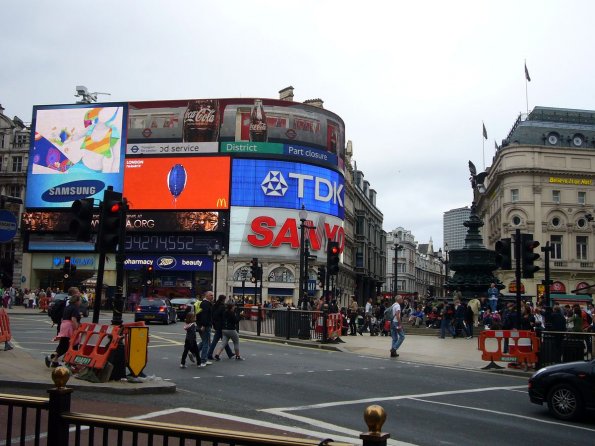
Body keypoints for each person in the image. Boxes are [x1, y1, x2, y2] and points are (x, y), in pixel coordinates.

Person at [45, 287, 82, 368]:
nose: (79, 293)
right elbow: (73, 319)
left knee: (66, 344)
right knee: (68, 344)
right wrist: (77, 329)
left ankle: (56, 361)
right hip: (69, 328)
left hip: (63, 325)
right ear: (74, 294)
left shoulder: (66, 301)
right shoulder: (72, 304)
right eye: (78, 292)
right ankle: (53, 358)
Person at [207, 294, 234, 360]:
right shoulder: (222, 307)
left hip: (216, 325)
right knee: (215, 341)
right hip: (221, 326)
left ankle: (230, 353)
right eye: (225, 299)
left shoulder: (215, 305)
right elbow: (224, 317)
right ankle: (209, 354)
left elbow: (212, 315)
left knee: (224, 340)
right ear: (223, 299)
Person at [196, 291, 214, 367]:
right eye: (211, 295)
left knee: (205, 342)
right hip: (205, 326)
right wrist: (203, 325)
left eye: (213, 295)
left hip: (204, 325)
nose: (212, 296)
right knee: (206, 344)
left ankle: (194, 352)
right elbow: (204, 316)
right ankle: (203, 360)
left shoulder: (204, 303)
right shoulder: (206, 304)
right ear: (206, 296)